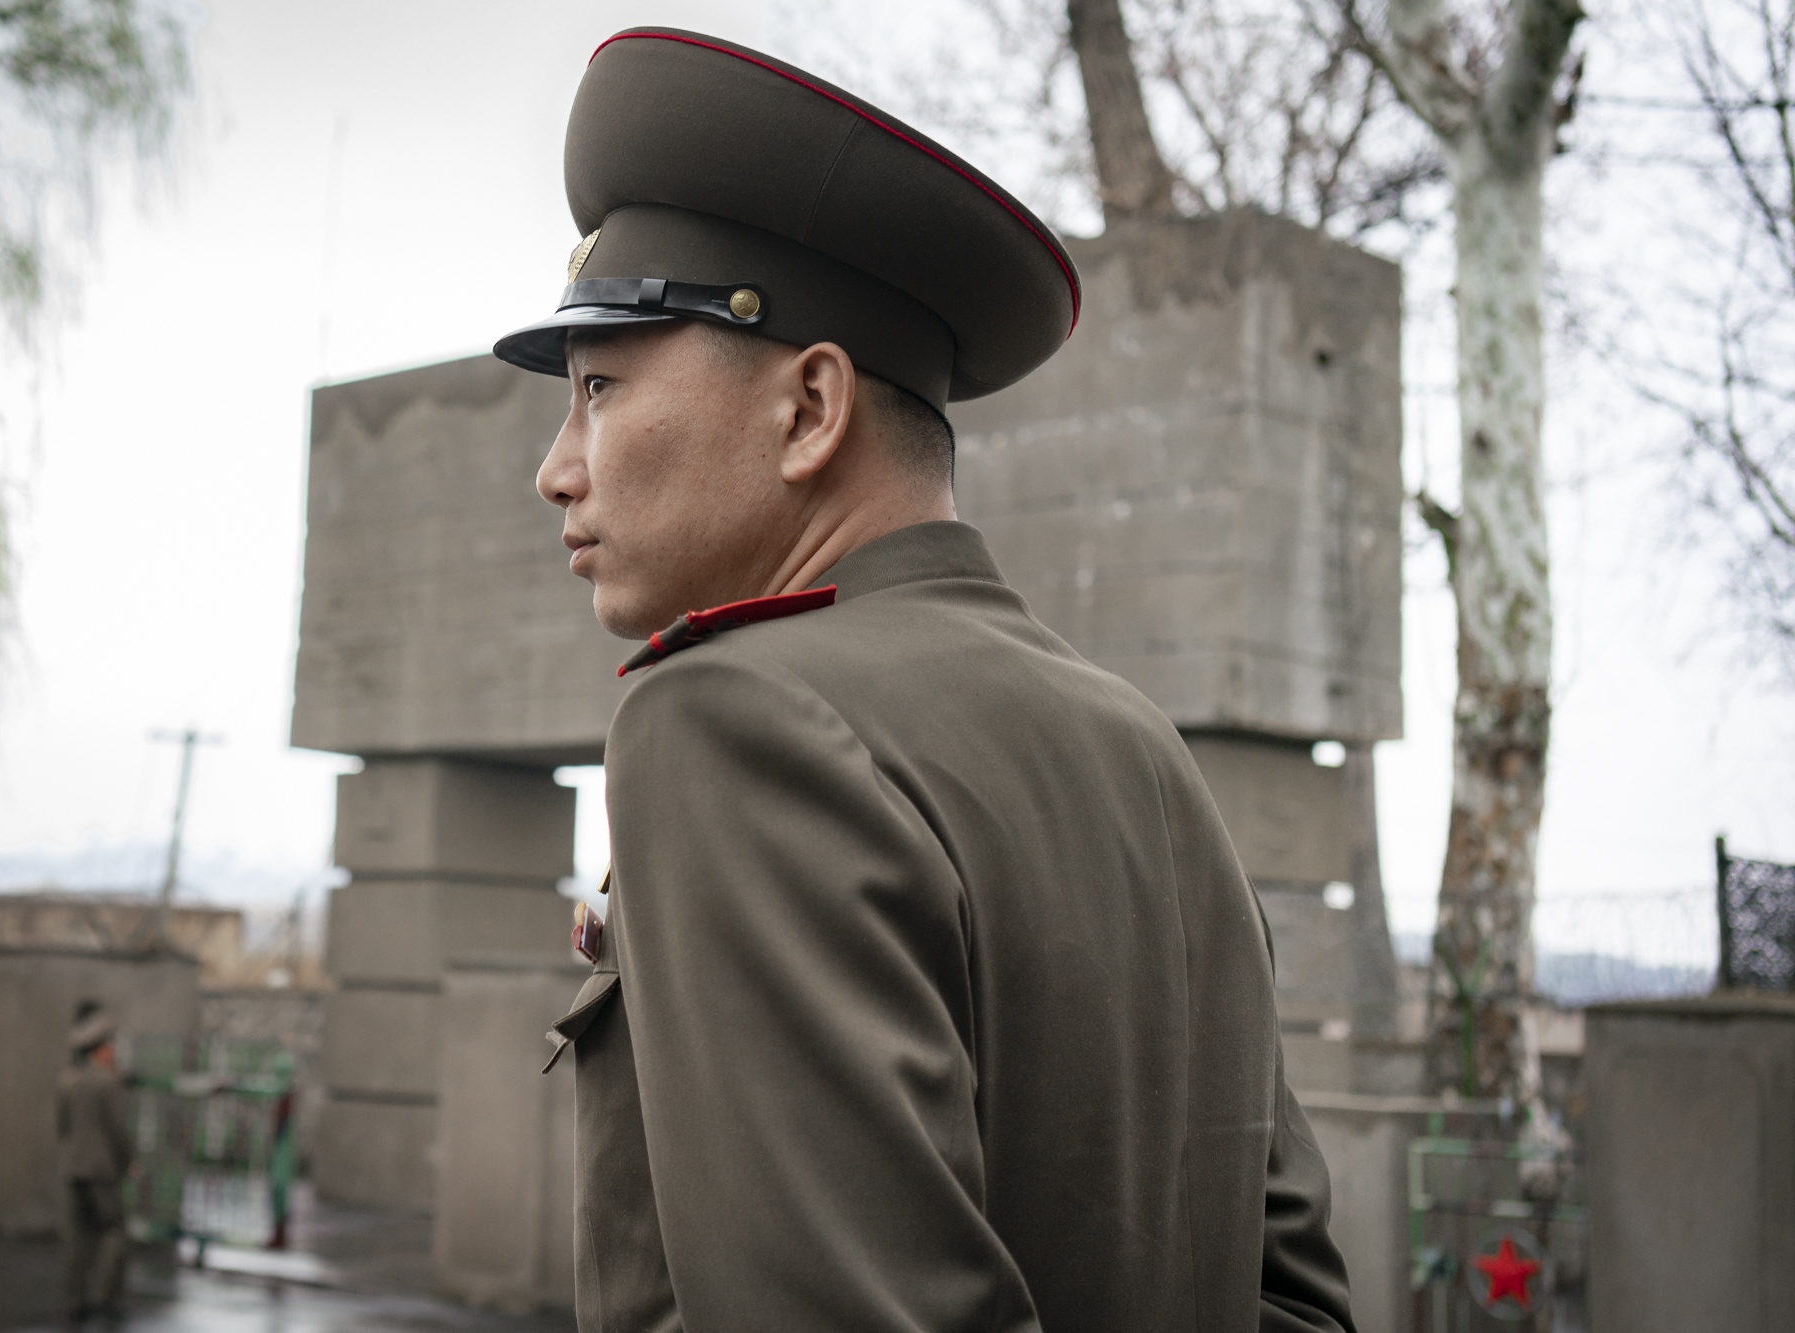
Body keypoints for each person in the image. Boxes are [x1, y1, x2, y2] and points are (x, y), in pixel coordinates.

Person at [502, 28, 1356, 1332]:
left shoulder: (730, 716)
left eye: (602, 390)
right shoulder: (1143, 752)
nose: (558, 469)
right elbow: (1294, 1302)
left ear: (809, 410)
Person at [58, 1003, 131, 1322]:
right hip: (102, 1169)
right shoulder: (107, 1083)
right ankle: (106, 1298)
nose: (113, 1051)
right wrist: (128, 1162)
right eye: (108, 1045)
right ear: (98, 1050)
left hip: (73, 1168)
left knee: (78, 1238)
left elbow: (62, 1126)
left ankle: (74, 1302)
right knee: (114, 1231)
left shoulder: (67, 1080)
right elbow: (117, 1129)